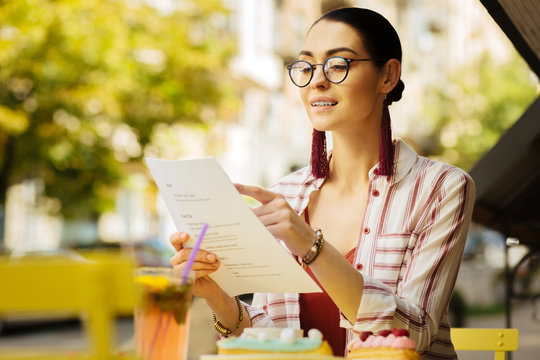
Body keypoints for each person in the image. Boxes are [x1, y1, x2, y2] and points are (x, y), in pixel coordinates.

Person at [170, 7, 475, 359]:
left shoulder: (442, 188)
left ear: (387, 76)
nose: (317, 80)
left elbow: (413, 333)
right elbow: (279, 340)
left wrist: (308, 245)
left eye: (338, 64)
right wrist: (217, 296)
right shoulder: (286, 195)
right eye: (306, 66)